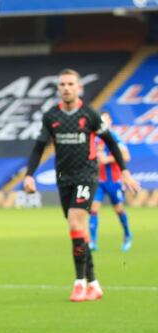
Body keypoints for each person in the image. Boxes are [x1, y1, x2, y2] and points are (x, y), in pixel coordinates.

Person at [23, 70, 139, 302]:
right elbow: (39, 147)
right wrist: (29, 175)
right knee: (79, 231)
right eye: (62, 84)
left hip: (87, 175)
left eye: (71, 84)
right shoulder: (51, 116)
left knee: (76, 223)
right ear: (58, 89)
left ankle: (79, 283)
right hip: (63, 178)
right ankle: (94, 283)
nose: (66, 87)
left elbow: (111, 143)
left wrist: (124, 171)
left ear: (79, 88)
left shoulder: (90, 115)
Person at [89, 111, 132, 252]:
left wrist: (107, 159)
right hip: (99, 181)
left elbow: (126, 156)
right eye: (101, 121)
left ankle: (127, 234)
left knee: (119, 210)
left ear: (110, 122)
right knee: (94, 209)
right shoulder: (95, 138)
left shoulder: (114, 137)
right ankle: (93, 241)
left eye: (106, 120)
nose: (103, 123)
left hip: (114, 181)